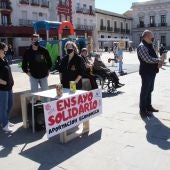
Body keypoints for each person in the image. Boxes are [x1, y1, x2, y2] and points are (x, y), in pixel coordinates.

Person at [137, 30, 164, 119]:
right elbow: (147, 59)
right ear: (145, 37)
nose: (152, 38)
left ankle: (148, 106)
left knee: (150, 90)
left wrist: (159, 59)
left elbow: (153, 57)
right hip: (146, 73)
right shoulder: (142, 47)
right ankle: (142, 110)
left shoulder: (149, 45)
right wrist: (159, 60)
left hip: (152, 72)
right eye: (151, 37)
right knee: (145, 91)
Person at [0, 42, 14, 132]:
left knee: (10, 105)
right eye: (4, 50)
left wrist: (11, 82)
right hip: (2, 88)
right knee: (3, 107)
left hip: (9, 87)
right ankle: (4, 125)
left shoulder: (4, 59)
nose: (5, 51)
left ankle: (5, 121)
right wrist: (3, 82)